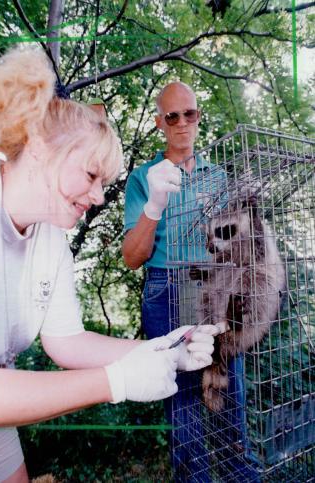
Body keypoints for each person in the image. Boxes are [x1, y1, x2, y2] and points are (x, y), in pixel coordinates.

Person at [0, 50, 217, 483]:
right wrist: (115, 382)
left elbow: (67, 341)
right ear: (37, 146)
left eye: (103, 184)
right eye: (91, 176)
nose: (98, 197)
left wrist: (166, 349)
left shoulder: (50, 237)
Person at [122, 82, 258, 482]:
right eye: (172, 116)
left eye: (190, 114)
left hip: (214, 291)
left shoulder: (218, 177)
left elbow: (235, 244)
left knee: (230, 392)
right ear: (159, 123)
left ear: (199, 117)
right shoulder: (143, 177)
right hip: (166, 289)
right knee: (182, 404)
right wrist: (154, 205)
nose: (182, 123)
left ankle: (240, 476)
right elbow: (132, 257)